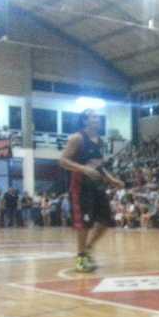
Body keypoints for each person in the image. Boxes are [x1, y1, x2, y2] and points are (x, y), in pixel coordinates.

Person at [59, 109, 124, 273]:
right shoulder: (77, 138)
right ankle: (81, 258)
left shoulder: (100, 141)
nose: (98, 119)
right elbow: (63, 160)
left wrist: (112, 180)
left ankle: (88, 248)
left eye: (98, 116)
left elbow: (99, 166)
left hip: (97, 185)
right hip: (81, 186)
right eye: (93, 117)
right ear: (85, 120)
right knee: (84, 223)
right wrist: (83, 169)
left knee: (106, 220)